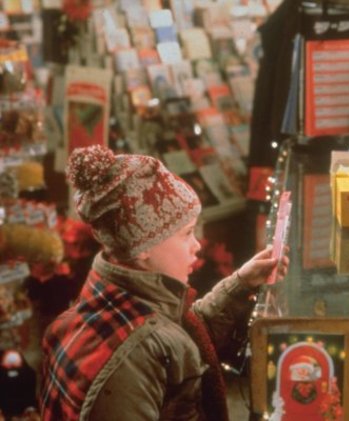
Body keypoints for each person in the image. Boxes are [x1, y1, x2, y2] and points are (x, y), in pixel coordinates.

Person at [39, 145, 287, 420]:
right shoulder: (130, 357)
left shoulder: (115, 302)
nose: (196, 246)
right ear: (143, 246)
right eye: (186, 233)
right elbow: (161, 347)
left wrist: (240, 284)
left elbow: (180, 337)